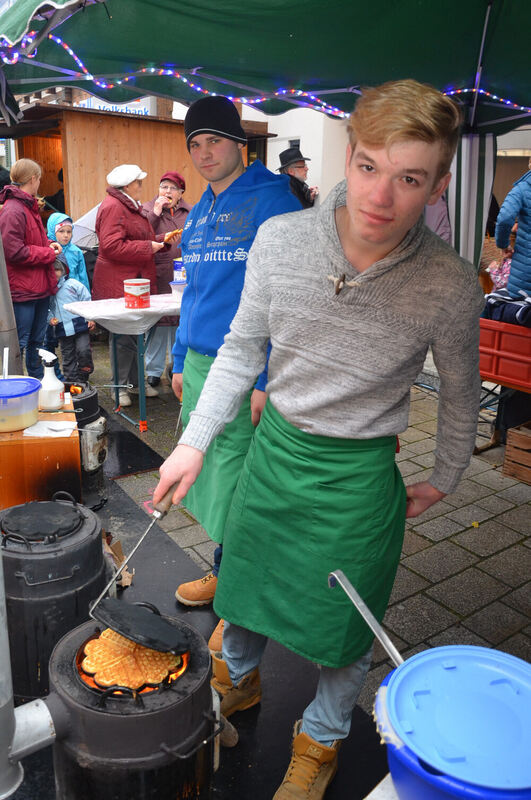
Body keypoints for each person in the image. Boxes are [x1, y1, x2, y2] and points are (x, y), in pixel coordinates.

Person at [154, 79, 485, 799]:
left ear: (438, 184)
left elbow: (462, 391)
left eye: (408, 179)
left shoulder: (451, 283)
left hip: (360, 475)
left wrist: (447, 475)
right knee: (242, 587)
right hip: (274, 454)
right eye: (366, 166)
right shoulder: (281, 239)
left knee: (347, 624)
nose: (379, 197)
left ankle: (321, 741)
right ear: (348, 157)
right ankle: (234, 686)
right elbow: (243, 348)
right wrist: (195, 441)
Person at [169, 95, 302, 650]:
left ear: (239, 144)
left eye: (214, 141)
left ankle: (241, 602)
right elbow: (194, 289)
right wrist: (177, 358)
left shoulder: (275, 201)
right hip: (200, 364)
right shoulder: (200, 208)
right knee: (217, 483)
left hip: (246, 370)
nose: (204, 153)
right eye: (195, 145)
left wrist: (270, 376)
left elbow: (293, 299)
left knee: (244, 486)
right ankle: (227, 574)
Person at [91, 164, 172, 407]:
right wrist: (149, 247)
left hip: (130, 281)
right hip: (120, 283)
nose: (141, 186)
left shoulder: (126, 205)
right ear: (127, 185)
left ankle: (134, 384)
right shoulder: (115, 207)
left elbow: (135, 239)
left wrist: (160, 241)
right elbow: (111, 246)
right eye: (138, 182)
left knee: (134, 335)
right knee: (123, 337)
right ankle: (119, 387)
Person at [0, 158, 62, 378]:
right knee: (21, 343)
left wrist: (48, 243)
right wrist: (48, 253)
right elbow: (13, 252)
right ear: (33, 179)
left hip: (37, 287)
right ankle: (15, 388)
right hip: (23, 290)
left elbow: (33, 239)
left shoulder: (28, 205)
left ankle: (37, 384)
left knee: (37, 341)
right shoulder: (13, 209)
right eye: (39, 179)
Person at [143, 171, 192, 393]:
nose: (167, 192)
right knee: (159, 324)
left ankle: (176, 367)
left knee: (180, 323)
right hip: (159, 272)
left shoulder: (189, 212)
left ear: (181, 193)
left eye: (172, 188)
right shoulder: (147, 209)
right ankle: (152, 372)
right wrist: (155, 213)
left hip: (184, 274)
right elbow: (142, 233)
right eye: (164, 187)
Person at [47, 256, 95, 384]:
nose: (55, 272)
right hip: (62, 328)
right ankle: (71, 381)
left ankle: (84, 373)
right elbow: (47, 308)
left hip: (80, 324)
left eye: (58, 269)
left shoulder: (72, 284)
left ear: (63, 270)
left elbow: (86, 299)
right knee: (68, 356)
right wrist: (50, 318)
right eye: (52, 269)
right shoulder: (48, 290)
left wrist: (90, 317)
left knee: (83, 349)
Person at [495, 159, 531, 299]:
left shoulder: (522, 189)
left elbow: (504, 218)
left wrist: (503, 245)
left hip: (525, 277)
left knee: (521, 316)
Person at [47, 213, 90, 290]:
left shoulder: (76, 251)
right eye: (61, 231)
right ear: (52, 231)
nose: (66, 235)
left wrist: (85, 294)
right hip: (53, 292)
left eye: (69, 231)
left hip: (74, 291)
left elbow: (83, 275)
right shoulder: (48, 250)